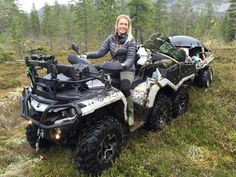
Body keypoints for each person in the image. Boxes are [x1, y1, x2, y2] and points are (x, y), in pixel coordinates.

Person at [85, 14, 136, 126]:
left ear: (128, 27)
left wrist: (123, 65)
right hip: (113, 67)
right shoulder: (110, 38)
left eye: (125, 24)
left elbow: (131, 58)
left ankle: (131, 113)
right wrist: (86, 55)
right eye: (121, 24)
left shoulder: (131, 40)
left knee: (125, 88)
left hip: (127, 69)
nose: (123, 26)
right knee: (100, 81)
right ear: (117, 25)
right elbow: (100, 52)